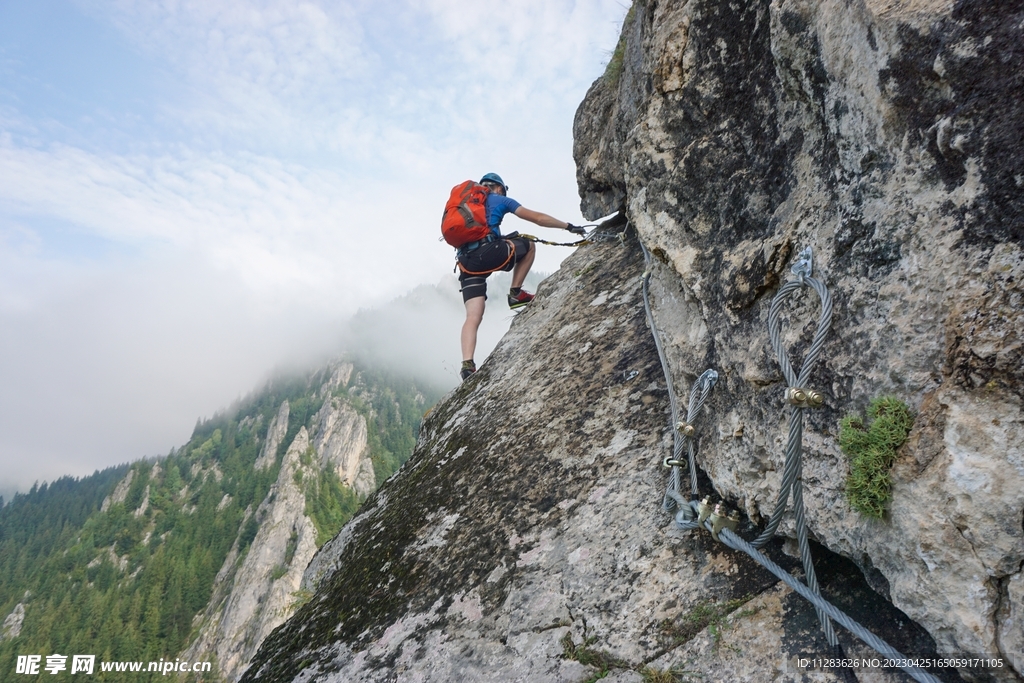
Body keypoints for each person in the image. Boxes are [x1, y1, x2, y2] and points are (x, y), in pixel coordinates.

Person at [457, 172, 584, 381]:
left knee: (472, 316)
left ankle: (467, 365)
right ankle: (515, 293)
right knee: (529, 245)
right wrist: (568, 226)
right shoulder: (500, 199)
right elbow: (538, 219)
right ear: (499, 187)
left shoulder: (467, 207)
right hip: (488, 254)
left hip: (465, 263)